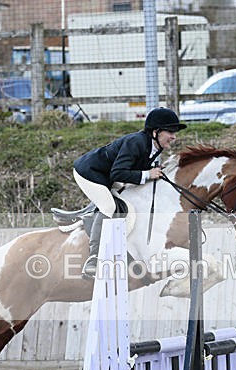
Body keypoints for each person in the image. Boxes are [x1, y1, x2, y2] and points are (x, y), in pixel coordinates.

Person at [73, 107, 187, 278]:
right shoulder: (136, 142)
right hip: (89, 172)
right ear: (155, 132)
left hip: (106, 174)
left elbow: (134, 167)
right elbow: (118, 173)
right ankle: (94, 258)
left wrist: (153, 170)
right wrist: (147, 174)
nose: (174, 136)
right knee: (109, 206)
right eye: (170, 132)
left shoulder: (153, 145)